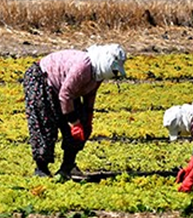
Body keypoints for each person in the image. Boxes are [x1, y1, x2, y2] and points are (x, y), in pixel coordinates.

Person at [23, 44, 127, 179]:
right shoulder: (84, 67)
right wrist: (73, 123)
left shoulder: (98, 73)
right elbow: (65, 95)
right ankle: (41, 168)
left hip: (64, 90)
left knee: (82, 124)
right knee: (45, 125)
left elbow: (90, 94)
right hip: (42, 80)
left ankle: (68, 167)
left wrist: (87, 119)